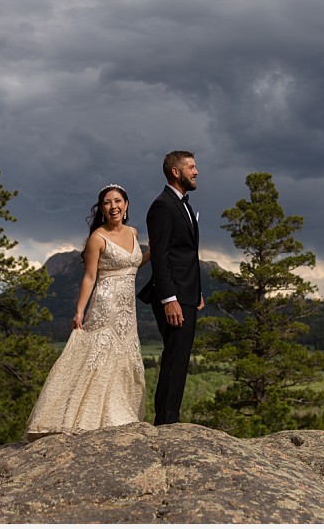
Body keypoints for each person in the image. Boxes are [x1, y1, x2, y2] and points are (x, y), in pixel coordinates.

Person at [24, 184, 151, 441]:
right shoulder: (98, 238)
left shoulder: (134, 233)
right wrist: (79, 311)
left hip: (128, 309)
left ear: (126, 205)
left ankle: (119, 414)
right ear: (101, 208)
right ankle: (79, 417)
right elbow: (90, 276)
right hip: (105, 304)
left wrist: (154, 252)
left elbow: (134, 263)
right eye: (107, 202)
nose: (113, 206)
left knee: (124, 357)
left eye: (118, 201)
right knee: (98, 357)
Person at [137, 151, 204, 425]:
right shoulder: (162, 206)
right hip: (172, 296)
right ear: (176, 172)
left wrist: (195, 289)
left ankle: (168, 419)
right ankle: (165, 422)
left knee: (179, 357)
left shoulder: (184, 205)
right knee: (175, 357)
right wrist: (169, 298)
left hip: (186, 293)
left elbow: (185, 255)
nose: (197, 171)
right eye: (191, 167)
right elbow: (161, 256)